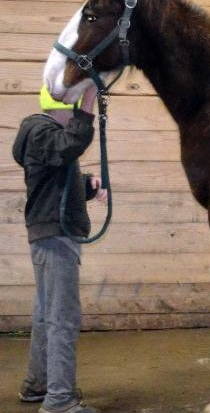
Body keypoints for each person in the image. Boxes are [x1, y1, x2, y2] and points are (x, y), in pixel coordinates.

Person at [12, 84, 107, 413]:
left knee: (45, 316)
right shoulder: (40, 130)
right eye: (73, 110)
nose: (75, 119)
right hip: (55, 237)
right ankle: (60, 401)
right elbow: (67, 148)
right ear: (60, 108)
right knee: (62, 318)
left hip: (51, 233)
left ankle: (38, 385)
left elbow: (56, 180)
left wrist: (88, 188)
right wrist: (90, 102)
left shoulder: (43, 136)